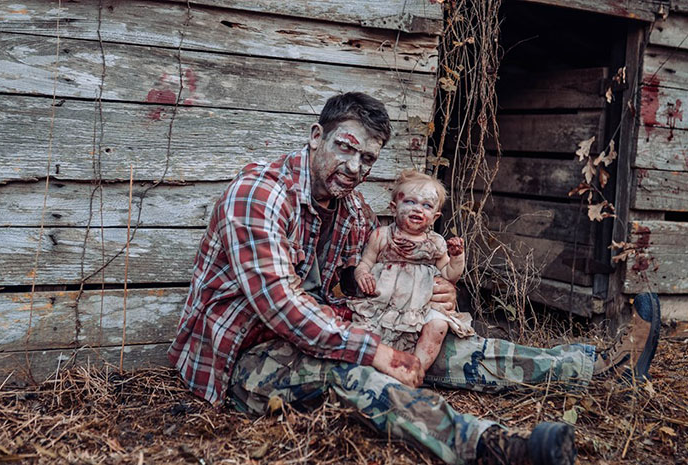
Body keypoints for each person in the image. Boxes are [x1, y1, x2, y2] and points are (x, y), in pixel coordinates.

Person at [168, 92, 661, 465]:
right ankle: (493, 446)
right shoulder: (259, 194)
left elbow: (358, 281)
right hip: (245, 355)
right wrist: (375, 350)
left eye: (367, 160)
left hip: (327, 325)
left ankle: (594, 367)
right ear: (316, 137)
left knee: (449, 347)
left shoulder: (352, 209)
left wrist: (436, 286)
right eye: (346, 148)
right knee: (356, 373)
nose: (355, 167)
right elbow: (279, 306)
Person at [349, 170, 476, 373]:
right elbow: (365, 263)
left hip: (421, 307)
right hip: (383, 305)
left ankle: (415, 371)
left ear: (434, 217)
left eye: (426, 205)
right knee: (367, 331)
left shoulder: (435, 243)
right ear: (393, 207)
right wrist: (362, 274)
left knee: (438, 325)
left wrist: (457, 257)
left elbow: (450, 275)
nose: (418, 209)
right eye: (410, 202)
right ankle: (375, 369)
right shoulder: (381, 236)